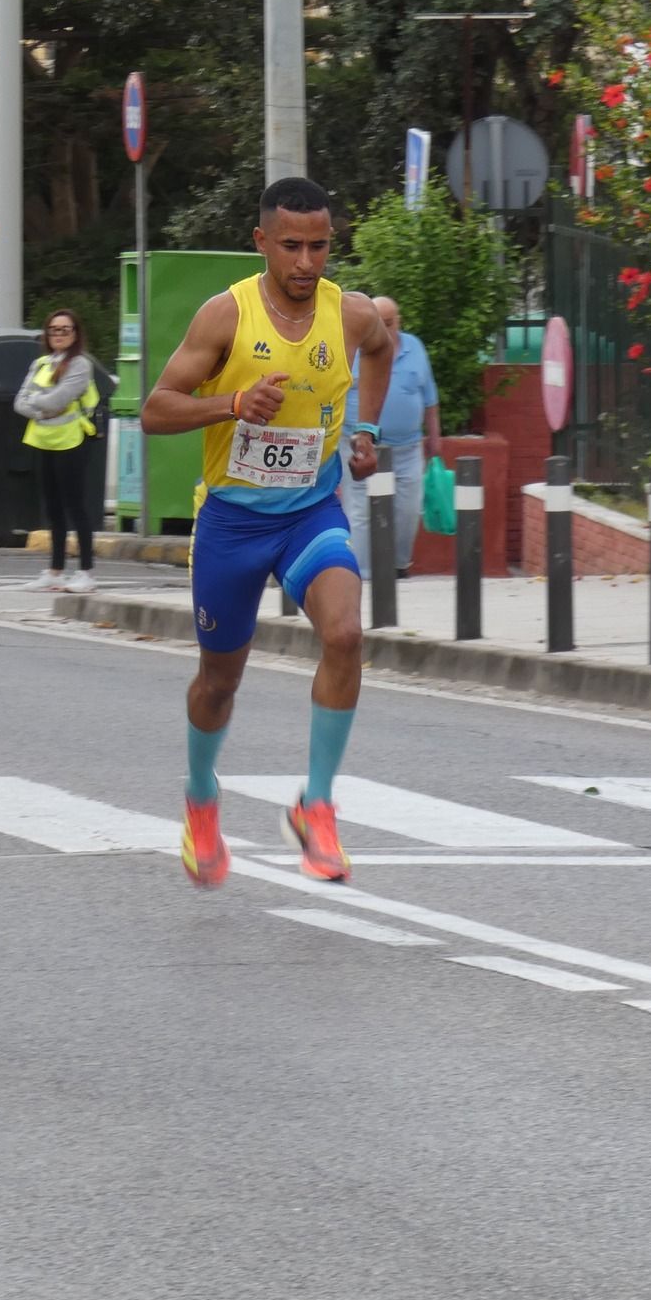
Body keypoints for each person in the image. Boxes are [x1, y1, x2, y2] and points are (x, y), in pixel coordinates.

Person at [141, 176, 393, 887]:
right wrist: (231, 403)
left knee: (345, 634)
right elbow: (156, 410)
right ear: (261, 244)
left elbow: (383, 347)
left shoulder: (350, 314)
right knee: (220, 682)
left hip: (310, 514)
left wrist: (366, 428)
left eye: (319, 246)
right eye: (291, 247)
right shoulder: (225, 316)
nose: (307, 263)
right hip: (233, 522)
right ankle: (200, 799)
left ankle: (315, 805)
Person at [336, 295, 441, 579]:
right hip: (358, 443)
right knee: (359, 510)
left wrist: (434, 437)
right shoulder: (351, 348)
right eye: (377, 323)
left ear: (399, 322)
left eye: (389, 323)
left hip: (407, 448)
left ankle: (397, 566)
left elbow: (429, 397)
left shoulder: (415, 348)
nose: (383, 329)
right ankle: (362, 573)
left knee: (407, 510)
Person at [14, 309, 101, 594]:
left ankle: (86, 572)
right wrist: (43, 408)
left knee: (75, 507)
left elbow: (59, 399)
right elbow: (19, 403)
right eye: (54, 329)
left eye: (65, 329)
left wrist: (38, 405)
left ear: (75, 334)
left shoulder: (80, 365)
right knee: (52, 509)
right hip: (44, 440)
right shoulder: (40, 363)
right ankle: (55, 571)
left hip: (72, 440)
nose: (59, 335)